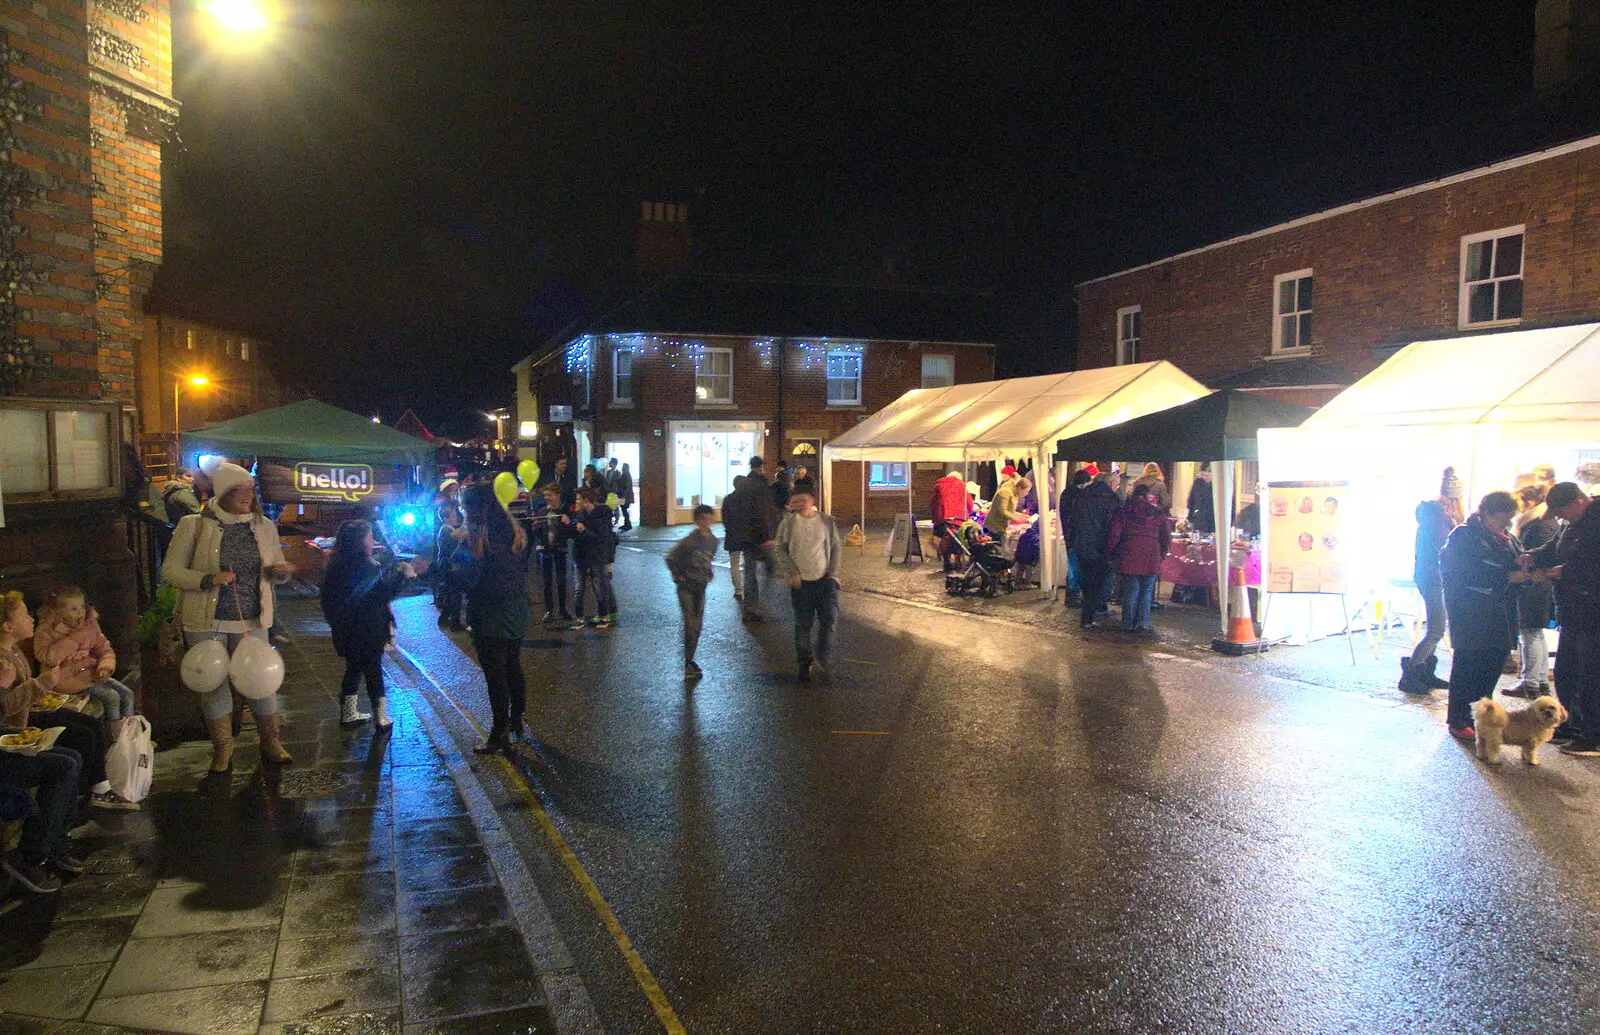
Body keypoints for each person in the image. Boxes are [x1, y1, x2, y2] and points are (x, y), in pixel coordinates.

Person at [161, 459, 295, 774]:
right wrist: (208, 579)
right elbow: (170, 571)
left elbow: (274, 567)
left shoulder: (265, 527)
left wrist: (280, 572)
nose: (247, 496)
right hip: (205, 619)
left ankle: (270, 741)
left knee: (262, 681)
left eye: (250, 490)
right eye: (238, 491)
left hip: (252, 619)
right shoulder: (192, 526)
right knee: (212, 683)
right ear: (222, 493)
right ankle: (223, 750)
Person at [1440, 491, 1530, 741]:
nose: (1505, 525)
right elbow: (1462, 574)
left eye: (1508, 521)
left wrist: (1524, 565)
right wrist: (1508, 576)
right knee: (1468, 665)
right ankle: (1459, 719)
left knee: (1492, 665)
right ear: (1485, 513)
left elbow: (1515, 565)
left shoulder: (1507, 538)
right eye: (1501, 520)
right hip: (1471, 613)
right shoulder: (1463, 536)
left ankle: (1481, 716)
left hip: (1502, 614)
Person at [456, 484, 532, 754]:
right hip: (516, 608)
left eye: (465, 505)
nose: (462, 509)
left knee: (495, 674)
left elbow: (467, 579)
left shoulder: (476, 539)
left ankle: (499, 733)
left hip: (489, 613)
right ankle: (517, 719)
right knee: (513, 664)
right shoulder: (515, 531)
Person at [1528, 482, 1600, 754]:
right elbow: (1554, 546)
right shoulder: (1573, 524)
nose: (1561, 519)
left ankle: (1593, 734)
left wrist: (1567, 572)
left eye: (1562, 513)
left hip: (1594, 612)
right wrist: (1532, 556)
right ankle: (1571, 723)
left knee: (1591, 674)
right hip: (1571, 610)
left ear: (1577, 503)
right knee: (1566, 671)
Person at [321, 520, 415, 728]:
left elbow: (327, 600)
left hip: (345, 629)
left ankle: (348, 713)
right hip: (369, 629)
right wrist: (403, 576)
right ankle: (381, 717)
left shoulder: (335, 565)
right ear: (360, 541)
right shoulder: (367, 565)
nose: (372, 540)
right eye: (369, 536)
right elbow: (381, 595)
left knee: (353, 669)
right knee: (374, 672)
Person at [32, 586, 139, 740]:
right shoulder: (47, 630)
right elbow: (47, 657)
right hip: (66, 679)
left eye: (82, 606)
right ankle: (114, 741)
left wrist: (104, 667)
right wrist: (74, 639)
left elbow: (104, 649)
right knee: (111, 697)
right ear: (59, 611)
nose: (80, 612)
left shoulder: (89, 624)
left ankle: (129, 740)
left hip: (89, 673)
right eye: (73, 609)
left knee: (127, 694)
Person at [775, 490, 842, 682]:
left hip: (825, 581)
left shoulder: (826, 521)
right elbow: (779, 547)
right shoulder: (787, 523)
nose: (799, 503)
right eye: (794, 500)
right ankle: (805, 662)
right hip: (801, 583)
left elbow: (836, 546)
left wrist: (833, 572)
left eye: (803, 499)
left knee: (829, 618)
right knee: (803, 625)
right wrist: (791, 572)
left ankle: (823, 653)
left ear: (812, 500)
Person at [1508, 484, 1559, 699]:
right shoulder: (1542, 522)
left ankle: (1530, 682)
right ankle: (1538, 680)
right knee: (1535, 632)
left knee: (1529, 632)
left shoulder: (1538, 523)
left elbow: (1537, 553)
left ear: (1527, 502)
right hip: (1540, 584)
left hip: (1535, 583)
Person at [1107, 484, 1171, 633]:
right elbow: (1166, 536)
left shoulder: (1124, 511)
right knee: (1147, 590)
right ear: (1148, 496)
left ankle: (1128, 623)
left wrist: (1111, 553)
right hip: (1151, 555)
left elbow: (1114, 534)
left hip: (1129, 553)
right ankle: (1142, 622)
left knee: (1131, 590)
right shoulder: (1157, 512)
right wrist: (1162, 553)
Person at [666, 505, 718, 680]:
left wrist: (709, 574)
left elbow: (709, 560)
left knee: (698, 625)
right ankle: (688, 662)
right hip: (686, 588)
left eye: (709, 519)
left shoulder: (713, 541)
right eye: (702, 519)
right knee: (690, 623)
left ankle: (691, 658)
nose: (706, 523)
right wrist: (677, 576)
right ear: (696, 521)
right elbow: (670, 557)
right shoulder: (688, 541)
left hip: (701, 587)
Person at [1068, 471, 1121, 629]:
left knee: (1086, 581)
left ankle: (1087, 617)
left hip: (1083, 545)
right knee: (1099, 582)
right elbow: (1112, 526)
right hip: (1101, 547)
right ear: (1111, 484)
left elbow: (1073, 520)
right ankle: (1091, 615)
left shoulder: (1082, 496)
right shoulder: (1111, 499)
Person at [728, 472, 779, 620]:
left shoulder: (735, 497)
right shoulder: (759, 495)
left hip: (745, 540)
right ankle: (754, 604)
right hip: (757, 540)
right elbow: (764, 517)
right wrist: (768, 536)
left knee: (749, 571)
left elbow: (732, 519)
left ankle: (750, 606)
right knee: (767, 565)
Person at [569, 488, 617, 629]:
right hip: (580, 557)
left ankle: (603, 616)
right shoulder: (578, 515)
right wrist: (568, 526)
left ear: (587, 500)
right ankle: (579, 618)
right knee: (579, 588)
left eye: (579, 499)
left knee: (598, 587)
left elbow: (600, 538)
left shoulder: (600, 516)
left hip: (595, 557)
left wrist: (584, 530)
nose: (576, 501)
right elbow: (572, 535)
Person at [532, 486, 573, 623]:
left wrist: (568, 524)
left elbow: (571, 531)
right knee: (547, 582)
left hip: (560, 549)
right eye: (545, 495)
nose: (546, 498)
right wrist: (536, 528)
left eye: (549, 495)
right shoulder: (542, 511)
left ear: (557, 495)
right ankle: (549, 610)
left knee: (561, 580)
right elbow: (537, 533)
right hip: (545, 549)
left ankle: (562, 609)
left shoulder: (565, 510)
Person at [932, 471, 974, 572]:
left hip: (943, 518)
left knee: (944, 538)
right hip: (959, 517)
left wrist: (935, 518)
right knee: (959, 538)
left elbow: (933, 503)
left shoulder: (938, 486)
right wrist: (969, 513)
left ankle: (946, 561)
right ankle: (957, 561)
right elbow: (969, 502)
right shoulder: (962, 485)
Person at [721, 475, 752, 602]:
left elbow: (725, 518)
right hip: (747, 536)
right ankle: (749, 589)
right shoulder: (748, 499)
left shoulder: (728, 499)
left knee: (734, 563)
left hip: (733, 535)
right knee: (749, 563)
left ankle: (738, 589)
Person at [1187, 464, 1215, 534]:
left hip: (1212, 520)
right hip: (1198, 519)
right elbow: (1191, 501)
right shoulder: (1198, 483)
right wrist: (1190, 518)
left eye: (1206, 475)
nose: (1204, 477)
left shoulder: (1217, 485)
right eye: (1202, 475)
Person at [617, 462, 635, 531]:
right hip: (625, 495)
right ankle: (627, 524)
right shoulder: (626, 474)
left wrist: (623, 495)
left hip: (624, 496)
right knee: (624, 509)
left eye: (623, 466)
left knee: (624, 509)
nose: (622, 467)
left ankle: (627, 524)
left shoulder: (626, 474)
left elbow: (626, 486)